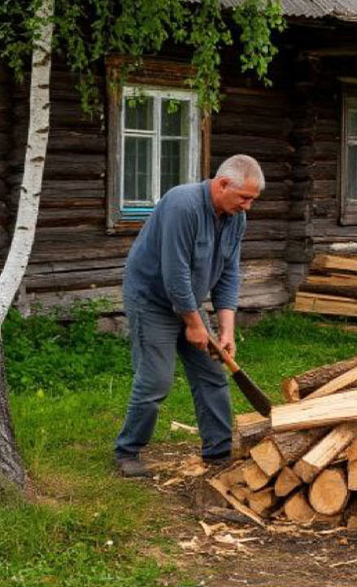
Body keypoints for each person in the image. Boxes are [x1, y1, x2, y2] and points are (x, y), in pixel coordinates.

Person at [115, 154, 265, 478]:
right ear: (223, 184)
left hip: (190, 303)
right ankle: (127, 451)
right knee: (156, 378)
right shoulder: (182, 205)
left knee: (213, 372)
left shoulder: (235, 218)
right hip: (152, 299)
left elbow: (228, 273)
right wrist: (194, 325)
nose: (248, 207)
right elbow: (175, 275)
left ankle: (218, 451)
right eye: (245, 198)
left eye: (253, 200)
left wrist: (226, 330)